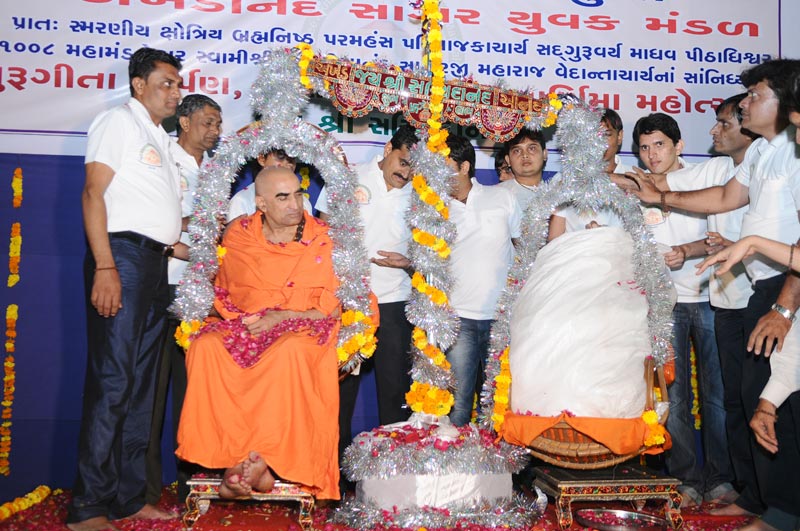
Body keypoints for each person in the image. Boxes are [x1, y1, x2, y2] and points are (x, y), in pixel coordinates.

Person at [631, 59, 800, 531]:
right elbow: (726, 198)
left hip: (786, 288)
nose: (744, 104)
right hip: (760, 288)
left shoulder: (794, 152)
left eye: (754, 95)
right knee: (750, 396)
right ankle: (757, 497)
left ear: (785, 101)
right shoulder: (764, 151)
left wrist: (785, 307)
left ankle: (785, 511)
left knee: (781, 401)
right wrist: (659, 198)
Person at [176, 166, 345, 501]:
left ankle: (264, 460)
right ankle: (237, 461)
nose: (295, 204)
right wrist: (256, 318)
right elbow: (229, 291)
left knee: (289, 352)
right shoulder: (239, 235)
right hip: (245, 322)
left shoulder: (324, 238)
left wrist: (284, 316)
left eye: (298, 194)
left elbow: (335, 305)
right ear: (261, 204)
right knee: (208, 348)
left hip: (304, 324)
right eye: (283, 197)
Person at [68, 47, 183, 531]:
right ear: (139, 85)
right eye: (166, 83)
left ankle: (128, 498)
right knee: (114, 382)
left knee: (141, 387)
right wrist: (105, 266)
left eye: (178, 84)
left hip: (156, 264)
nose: (175, 93)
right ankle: (88, 506)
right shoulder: (118, 122)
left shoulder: (158, 136)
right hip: (123, 260)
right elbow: (93, 193)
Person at [631, 112, 734, 508]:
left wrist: (685, 251)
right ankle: (685, 480)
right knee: (672, 397)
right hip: (662, 305)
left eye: (659, 144)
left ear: (679, 146)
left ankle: (721, 480)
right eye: (644, 147)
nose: (652, 154)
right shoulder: (636, 188)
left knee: (717, 396)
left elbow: (720, 238)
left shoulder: (704, 180)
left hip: (711, 296)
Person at [316, 125, 420, 466]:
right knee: (340, 392)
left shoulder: (422, 193)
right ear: (388, 148)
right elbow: (321, 231)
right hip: (348, 301)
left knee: (395, 390)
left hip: (394, 301)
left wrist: (410, 262)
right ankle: (335, 471)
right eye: (403, 162)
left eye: (413, 167)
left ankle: (392, 471)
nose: (406, 173)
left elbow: (434, 251)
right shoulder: (348, 177)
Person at [145, 94, 222, 505]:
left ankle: (192, 484)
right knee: (153, 393)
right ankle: (143, 489)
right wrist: (189, 238)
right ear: (185, 122)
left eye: (218, 124)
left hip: (203, 292)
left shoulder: (216, 170)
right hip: (163, 285)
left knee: (196, 394)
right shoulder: (162, 160)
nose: (215, 131)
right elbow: (151, 222)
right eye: (208, 122)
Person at [445, 134, 522, 426]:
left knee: (499, 405)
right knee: (458, 406)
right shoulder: (433, 208)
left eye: (444, 166)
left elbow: (523, 248)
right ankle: (456, 456)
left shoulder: (502, 197)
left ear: (464, 167)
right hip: (456, 317)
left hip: (500, 317)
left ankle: (499, 456)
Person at [548, 108, 631, 240]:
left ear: (619, 136)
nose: (599, 143)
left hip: (621, 251)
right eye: (592, 136)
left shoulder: (634, 177)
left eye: (606, 135)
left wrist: (608, 235)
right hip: (575, 252)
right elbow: (554, 240)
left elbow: (643, 235)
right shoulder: (564, 179)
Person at [227, 149, 312, 222]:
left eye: (292, 158)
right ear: (261, 159)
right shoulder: (241, 201)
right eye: (281, 156)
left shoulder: (303, 201)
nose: (289, 164)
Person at [499, 129, 548, 210]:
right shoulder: (498, 195)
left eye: (532, 148)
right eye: (517, 151)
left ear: (544, 154)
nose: (525, 155)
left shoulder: (558, 194)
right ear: (508, 160)